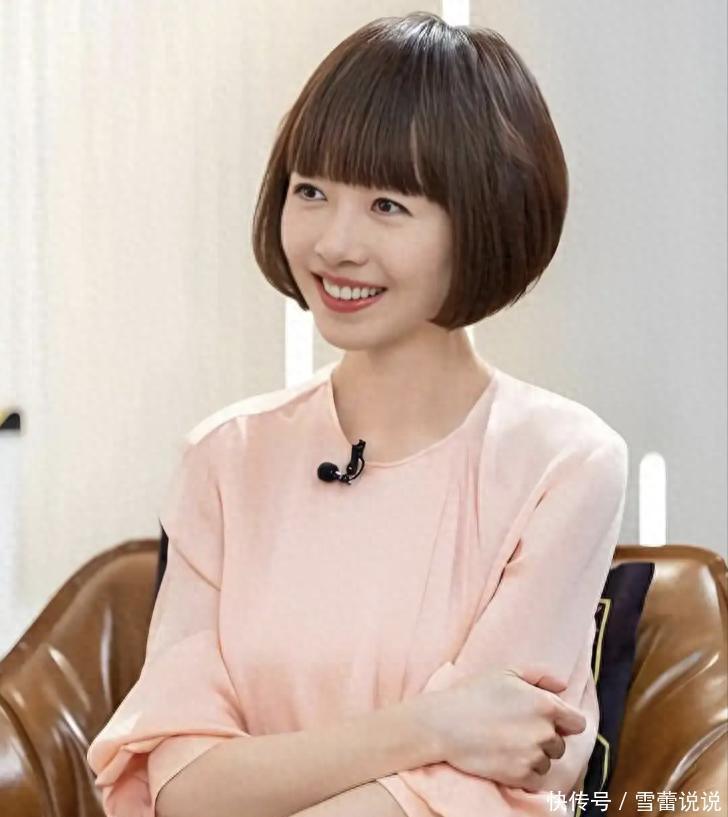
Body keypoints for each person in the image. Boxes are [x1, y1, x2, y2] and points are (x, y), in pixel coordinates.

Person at [87, 11, 628, 817]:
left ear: (486, 214)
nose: (335, 243)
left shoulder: (566, 462)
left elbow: (483, 783)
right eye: (311, 191)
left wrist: (266, 778)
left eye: (387, 205)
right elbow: (183, 786)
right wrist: (432, 724)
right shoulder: (225, 457)